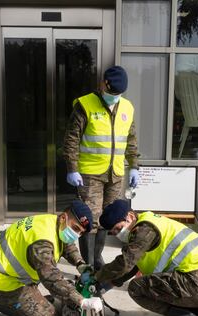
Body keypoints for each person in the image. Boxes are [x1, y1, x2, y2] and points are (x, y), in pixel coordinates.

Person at [0, 200, 103, 316]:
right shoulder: (42, 243)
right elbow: (50, 278)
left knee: (52, 299)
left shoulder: (53, 221)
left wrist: (79, 263)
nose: (76, 235)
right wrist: (81, 301)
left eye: (80, 233)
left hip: (1, 270)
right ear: (64, 217)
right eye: (76, 229)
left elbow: (67, 244)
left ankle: (24, 297)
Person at [63, 65, 139, 272]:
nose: (114, 97)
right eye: (111, 92)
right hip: (89, 174)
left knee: (108, 218)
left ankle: (97, 258)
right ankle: (86, 265)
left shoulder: (127, 107)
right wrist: (72, 168)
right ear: (103, 84)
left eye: (118, 94)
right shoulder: (84, 105)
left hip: (115, 172)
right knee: (90, 220)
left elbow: (131, 140)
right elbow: (71, 139)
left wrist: (134, 166)